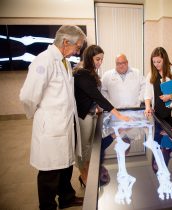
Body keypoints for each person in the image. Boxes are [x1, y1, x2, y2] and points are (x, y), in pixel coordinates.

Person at [19, 25, 86, 210]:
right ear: (66, 42)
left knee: (66, 164)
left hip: (65, 123)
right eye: (77, 47)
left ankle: (67, 198)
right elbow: (28, 96)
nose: (78, 51)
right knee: (50, 171)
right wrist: (42, 116)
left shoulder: (64, 61)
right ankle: (47, 206)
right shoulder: (44, 61)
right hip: (52, 126)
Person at [73, 45, 130, 187]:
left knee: (91, 146)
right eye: (97, 59)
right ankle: (84, 175)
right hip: (84, 116)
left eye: (102, 59)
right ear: (89, 57)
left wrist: (98, 108)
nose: (100, 62)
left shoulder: (91, 73)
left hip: (92, 114)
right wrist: (119, 116)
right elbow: (98, 97)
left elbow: (92, 97)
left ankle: (87, 172)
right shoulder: (82, 73)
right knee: (84, 148)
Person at [144, 47, 172, 144]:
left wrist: (170, 97)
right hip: (158, 115)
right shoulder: (151, 74)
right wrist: (148, 107)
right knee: (158, 142)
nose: (156, 64)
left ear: (165, 60)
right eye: (154, 62)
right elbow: (147, 93)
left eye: (159, 61)